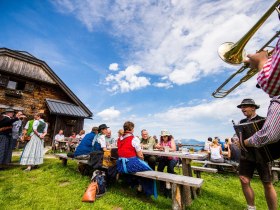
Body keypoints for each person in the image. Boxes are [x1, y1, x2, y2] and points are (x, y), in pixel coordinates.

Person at [236, 98, 277, 210]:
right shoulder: (241, 122)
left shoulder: (264, 120)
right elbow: (237, 137)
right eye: (241, 107)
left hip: (262, 156)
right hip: (246, 155)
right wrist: (236, 140)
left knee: (267, 183)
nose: (243, 109)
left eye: (245, 106)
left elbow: (271, 136)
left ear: (253, 107)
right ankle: (251, 207)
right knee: (244, 180)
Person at [117, 121, 157, 198]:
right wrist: (142, 159)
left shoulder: (120, 138)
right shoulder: (134, 139)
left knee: (141, 167)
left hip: (120, 165)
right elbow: (140, 155)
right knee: (149, 170)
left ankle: (136, 185)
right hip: (129, 164)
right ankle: (146, 191)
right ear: (131, 129)